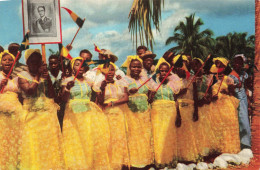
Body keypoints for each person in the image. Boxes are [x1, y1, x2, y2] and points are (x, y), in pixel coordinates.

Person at [18, 49, 64, 169]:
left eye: (38, 62)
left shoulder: (44, 75)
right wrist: (38, 75)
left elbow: (52, 95)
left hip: (46, 115)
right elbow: (30, 90)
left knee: (47, 144)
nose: (35, 65)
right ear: (27, 63)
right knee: (33, 143)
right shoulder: (22, 75)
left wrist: (47, 77)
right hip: (31, 115)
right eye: (33, 62)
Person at [61, 57, 110, 169]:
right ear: (72, 67)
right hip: (73, 114)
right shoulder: (67, 80)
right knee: (76, 139)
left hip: (88, 114)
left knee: (89, 139)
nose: (80, 67)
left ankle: (90, 164)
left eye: (82, 65)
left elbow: (99, 97)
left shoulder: (89, 81)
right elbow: (63, 99)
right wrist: (68, 88)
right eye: (77, 64)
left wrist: (102, 88)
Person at [94, 63, 130, 169]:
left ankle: (119, 163)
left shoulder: (121, 83)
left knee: (119, 138)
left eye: (112, 70)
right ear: (102, 71)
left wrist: (112, 103)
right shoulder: (98, 85)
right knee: (107, 138)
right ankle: (109, 163)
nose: (110, 72)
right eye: (107, 70)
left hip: (118, 113)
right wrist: (102, 88)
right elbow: (100, 101)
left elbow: (126, 98)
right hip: (106, 114)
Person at [123, 55, 155, 168]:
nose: (136, 69)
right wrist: (129, 92)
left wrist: (149, 98)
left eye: (138, 67)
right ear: (129, 67)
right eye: (133, 67)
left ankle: (146, 161)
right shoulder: (124, 79)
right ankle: (134, 162)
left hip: (145, 113)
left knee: (145, 136)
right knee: (133, 137)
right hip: (131, 113)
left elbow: (152, 90)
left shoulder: (145, 80)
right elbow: (122, 95)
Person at [149, 58, 181, 167]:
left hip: (170, 113)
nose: (163, 73)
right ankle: (160, 161)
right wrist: (151, 96)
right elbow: (149, 100)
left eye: (166, 71)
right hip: (157, 113)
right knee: (159, 136)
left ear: (169, 72)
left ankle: (170, 160)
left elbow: (175, 100)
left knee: (169, 136)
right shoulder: (153, 84)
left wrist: (178, 115)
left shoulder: (173, 84)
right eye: (161, 70)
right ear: (158, 71)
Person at [210, 57, 240, 153]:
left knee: (226, 127)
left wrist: (225, 92)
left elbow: (232, 94)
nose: (218, 66)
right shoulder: (212, 79)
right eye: (217, 64)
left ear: (225, 66)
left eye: (221, 65)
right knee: (216, 127)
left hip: (226, 105)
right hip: (214, 106)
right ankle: (216, 149)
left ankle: (227, 149)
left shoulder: (228, 79)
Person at [173, 55, 199, 162]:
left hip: (190, 108)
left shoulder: (192, 78)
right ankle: (181, 157)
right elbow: (172, 97)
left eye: (184, 64)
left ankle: (191, 156)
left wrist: (196, 111)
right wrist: (179, 93)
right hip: (178, 109)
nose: (182, 68)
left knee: (191, 134)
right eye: (180, 65)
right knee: (180, 134)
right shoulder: (172, 80)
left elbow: (195, 95)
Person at [0, 50, 23, 169]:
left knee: (16, 138)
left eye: (10, 60)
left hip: (17, 113)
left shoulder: (18, 78)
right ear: (1, 62)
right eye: (5, 60)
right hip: (2, 114)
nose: (7, 62)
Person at [229, 54, 251, 149]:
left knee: (245, 121)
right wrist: (234, 87)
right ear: (233, 64)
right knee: (238, 121)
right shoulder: (230, 76)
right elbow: (229, 91)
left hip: (243, 99)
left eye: (240, 63)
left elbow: (246, 87)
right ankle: (240, 144)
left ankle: (246, 143)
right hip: (235, 100)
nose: (238, 65)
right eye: (236, 63)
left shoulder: (244, 74)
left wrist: (249, 100)